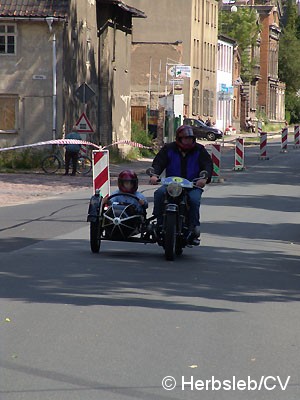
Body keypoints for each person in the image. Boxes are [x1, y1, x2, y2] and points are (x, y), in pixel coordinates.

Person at [149, 125, 213, 245]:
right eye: (185, 138)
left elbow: (207, 164)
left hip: (192, 185)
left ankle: (193, 228)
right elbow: (159, 162)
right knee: (159, 194)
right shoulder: (169, 149)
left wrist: (204, 178)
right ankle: (160, 222)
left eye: (190, 138)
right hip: (171, 185)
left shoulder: (199, 150)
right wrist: (154, 175)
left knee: (194, 199)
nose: (188, 141)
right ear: (179, 138)